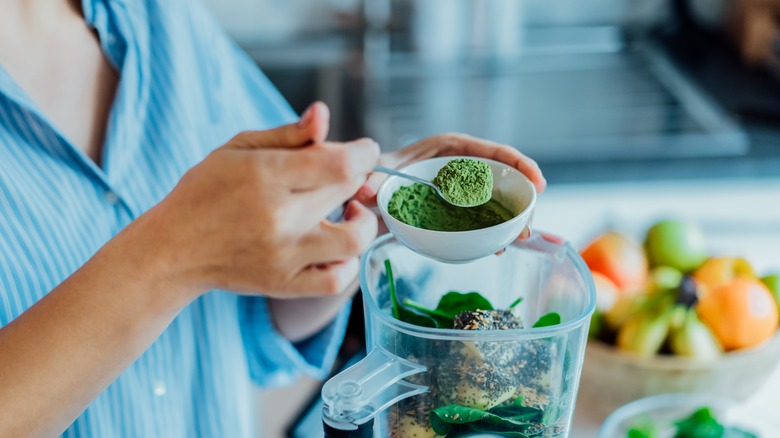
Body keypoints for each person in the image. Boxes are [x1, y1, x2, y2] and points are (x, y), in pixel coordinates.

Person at [0, 0, 546, 436]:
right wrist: (166, 257)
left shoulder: (160, 20)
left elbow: (258, 314)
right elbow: (187, 253)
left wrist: (350, 221)